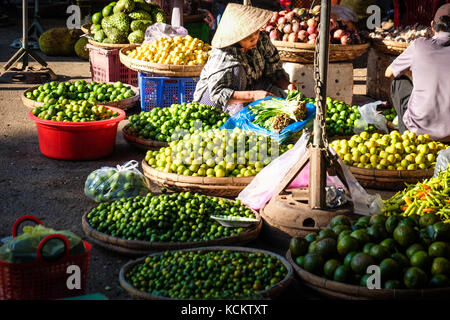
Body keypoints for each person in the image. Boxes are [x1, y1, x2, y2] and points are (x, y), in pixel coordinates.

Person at [193, 3, 294, 114]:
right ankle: (232, 117)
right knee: (237, 70)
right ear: (236, 37)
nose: (255, 39)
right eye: (248, 37)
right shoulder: (224, 54)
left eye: (256, 32)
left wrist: (287, 85)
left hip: (250, 90)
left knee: (281, 98)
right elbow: (218, 94)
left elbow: (274, 71)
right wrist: (254, 95)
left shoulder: (261, 39)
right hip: (216, 102)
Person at [385, 4, 450, 141]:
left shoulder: (419, 45)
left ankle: (407, 136)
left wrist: (411, 74)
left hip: (419, 132)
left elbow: (389, 72)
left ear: (432, 25)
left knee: (398, 81)